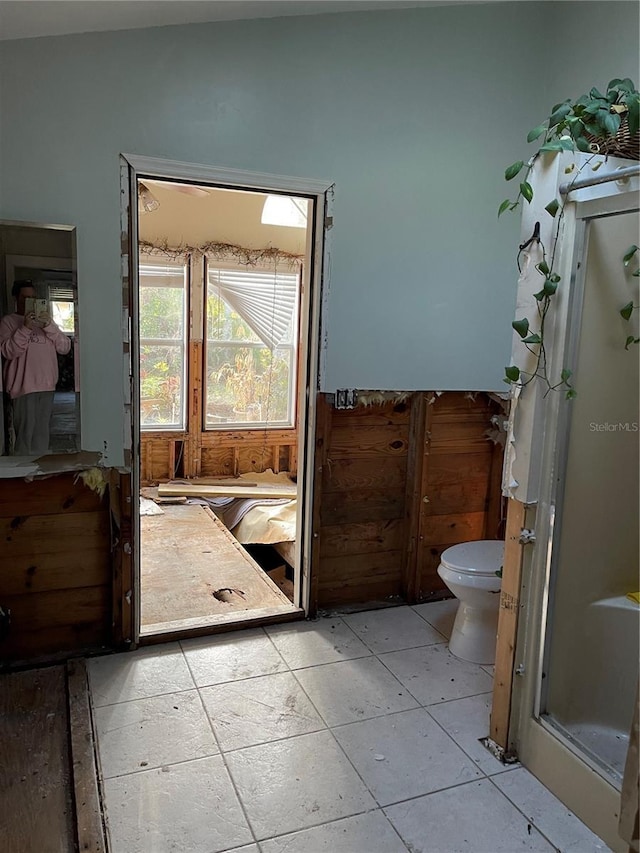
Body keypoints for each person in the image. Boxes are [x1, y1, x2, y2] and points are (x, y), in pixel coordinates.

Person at [0, 279, 71, 455]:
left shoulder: (48, 323)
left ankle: (39, 473)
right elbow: (8, 352)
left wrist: (48, 326)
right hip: (22, 387)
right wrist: (25, 328)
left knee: (42, 433)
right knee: (24, 433)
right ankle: (23, 475)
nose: (29, 302)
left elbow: (65, 347)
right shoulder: (8, 322)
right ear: (16, 299)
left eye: (32, 298)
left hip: (46, 386)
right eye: (25, 298)